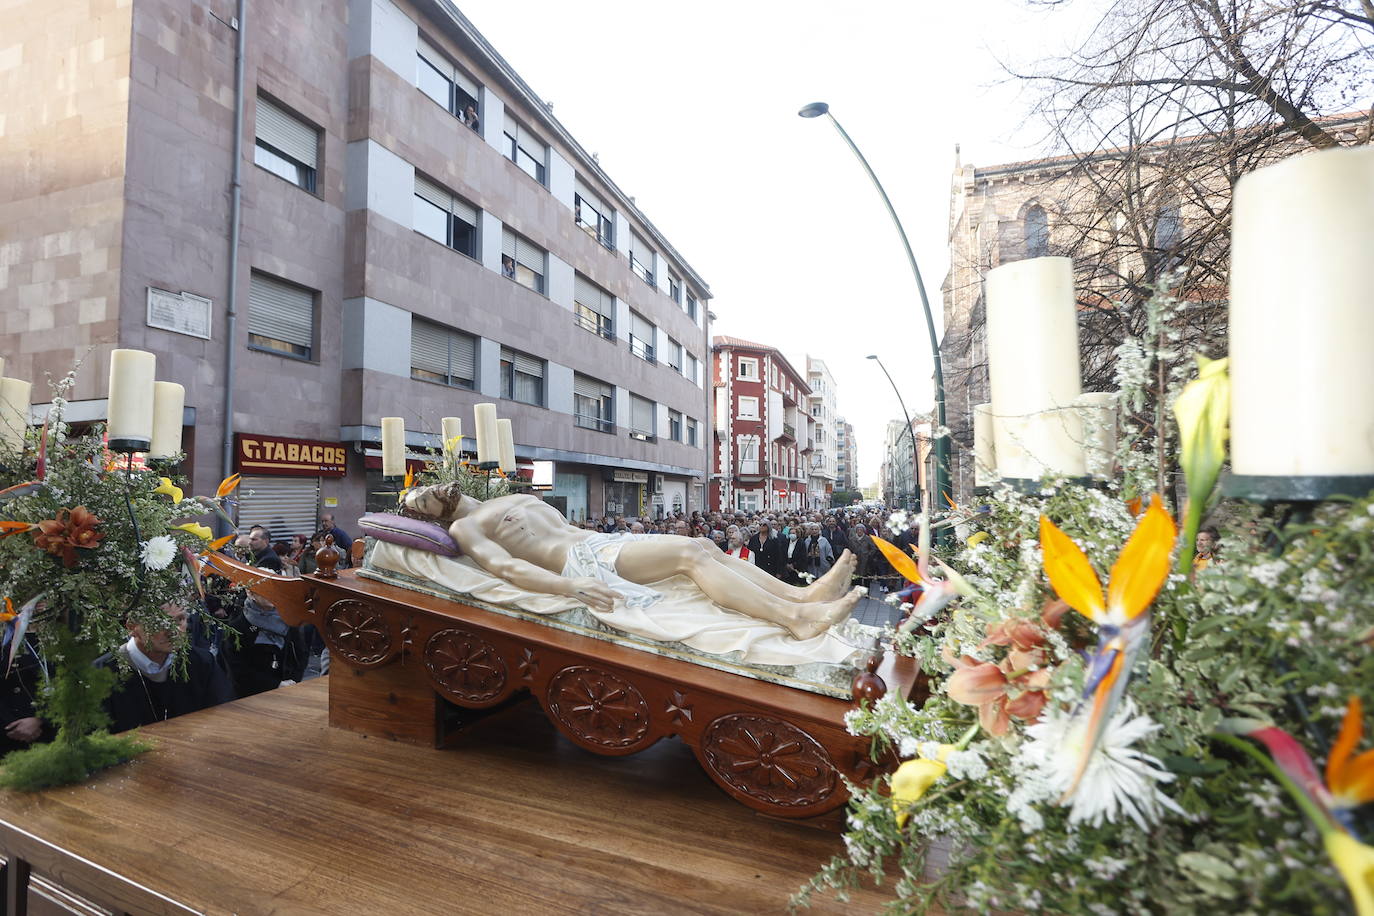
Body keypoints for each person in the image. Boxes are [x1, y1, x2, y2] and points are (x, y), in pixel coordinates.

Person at [403, 484, 861, 641]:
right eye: (422, 502)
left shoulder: (509, 495)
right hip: (581, 563)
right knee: (687, 553)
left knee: (705, 547)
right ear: (432, 516)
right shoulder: (466, 530)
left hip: (601, 542)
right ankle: (795, 618)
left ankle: (803, 594)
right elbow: (507, 569)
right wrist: (570, 588)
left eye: (428, 489)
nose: (432, 495)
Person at [100, 602, 236, 733]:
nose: (173, 631)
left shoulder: (202, 662)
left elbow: (225, 716)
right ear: (132, 627)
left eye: (180, 619)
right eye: (160, 623)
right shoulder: (102, 674)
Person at [1, 620, 51, 756]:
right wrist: (12, 725)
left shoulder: (60, 636)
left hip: (55, 730)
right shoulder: (6, 638)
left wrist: (42, 719)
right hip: (11, 736)